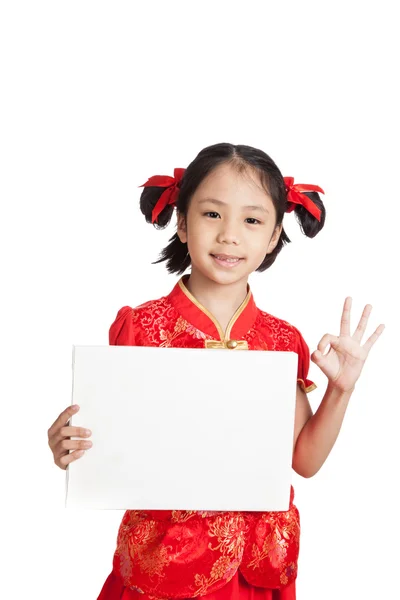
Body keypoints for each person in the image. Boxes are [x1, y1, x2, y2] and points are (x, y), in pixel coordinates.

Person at [48, 143, 385, 600]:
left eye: (252, 220)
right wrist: (71, 446)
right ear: (183, 223)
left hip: (255, 569)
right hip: (163, 563)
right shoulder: (141, 328)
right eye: (212, 214)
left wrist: (341, 390)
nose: (230, 235)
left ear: (272, 237)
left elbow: (304, 461)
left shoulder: (281, 340)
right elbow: (112, 445)